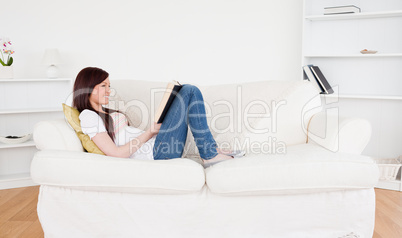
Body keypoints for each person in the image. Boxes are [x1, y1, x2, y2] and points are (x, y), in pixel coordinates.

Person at [73, 67, 241, 167]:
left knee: (185, 91)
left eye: (109, 86)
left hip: (159, 144)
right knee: (189, 90)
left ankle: (211, 150)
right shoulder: (88, 116)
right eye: (103, 86)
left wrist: (154, 130)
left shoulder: (107, 112)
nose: (109, 91)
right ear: (89, 88)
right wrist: (149, 132)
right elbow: (116, 153)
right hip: (157, 152)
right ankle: (210, 153)